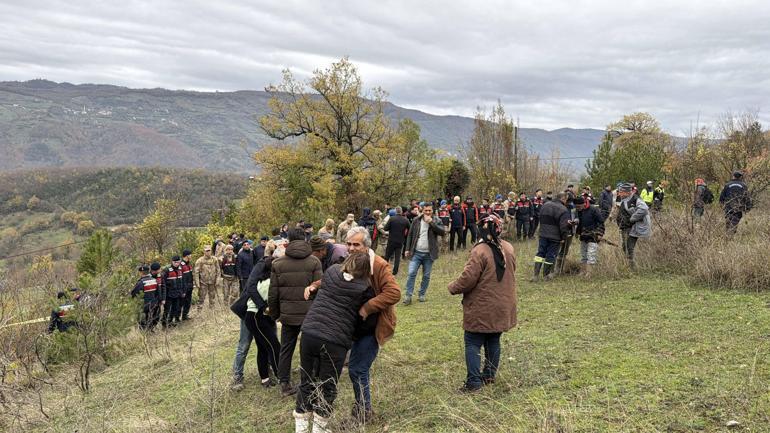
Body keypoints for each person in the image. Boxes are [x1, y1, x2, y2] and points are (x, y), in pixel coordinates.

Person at [293, 253, 372, 433]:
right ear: (366, 270)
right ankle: (319, 429)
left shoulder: (331, 272)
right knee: (327, 385)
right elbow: (363, 317)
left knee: (307, 381)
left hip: (310, 332)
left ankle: (301, 429)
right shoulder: (365, 288)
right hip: (335, 340)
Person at [448, 214, 517, 392]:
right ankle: (489, 375)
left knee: (472, 342)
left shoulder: (480, 251)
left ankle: (474, 382)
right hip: (503, 305)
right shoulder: (508, 247)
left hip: (482, 306)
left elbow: (468, 279)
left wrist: (453, 287)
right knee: (494, 339)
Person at [337, 227, 400, 421]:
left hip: (374, 325)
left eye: (356, 244)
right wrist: (315, 285)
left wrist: (367, 307)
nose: (351, 248)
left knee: (357, 369)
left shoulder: (379, 265)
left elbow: (394, 293)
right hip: (355, 326)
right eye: (348, 244)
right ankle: (361, 408)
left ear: (366, 246)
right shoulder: (349, 262)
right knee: (356, 368)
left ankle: (365, 412)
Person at [268, 228, 323, 397]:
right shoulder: (314, 262)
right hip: (310, 314)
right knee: (311, 349)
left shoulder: (277, 263)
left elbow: (273, 294)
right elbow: (319, 291)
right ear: (305, 239)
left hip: (288, 315)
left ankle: (284, 384)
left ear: (288, 241)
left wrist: (275, 315)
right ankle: (310, 382)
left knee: (286, 349)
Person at [230, 244, 281, 391]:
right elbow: (250, 287)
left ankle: (266, 375)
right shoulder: (262, 265)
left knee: (264, 345)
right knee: (245, 345)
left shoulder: (273, 272)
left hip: (263, 314)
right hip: (251, 312)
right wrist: (263, 307)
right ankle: (237, 377)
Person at [403, 203, 445, 305]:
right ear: (422, 210)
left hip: (429, 254)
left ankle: (421, 294)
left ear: (432, 211)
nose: (427, 212)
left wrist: (431, 223)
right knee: (411, 273)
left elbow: (442, 232)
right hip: (416, 252)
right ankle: (408, 296)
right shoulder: (416, 220)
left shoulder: (436, 220)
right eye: (426, 210)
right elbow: (410, 235)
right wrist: (407, 248)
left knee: (426, 275)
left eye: (429, 210)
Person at [532, 192, 571, 281]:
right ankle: (546, 276)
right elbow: (563, 226)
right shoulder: (563, 209)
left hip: (543, 234)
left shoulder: (545, 205)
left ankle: (535, 275)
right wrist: (564, 237)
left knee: (540, 253)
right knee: (550, 255)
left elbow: (540, 217)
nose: (566, 202)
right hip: (555, 237)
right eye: (566, 199)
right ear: (563, 199)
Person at [616, 183, 652, 267]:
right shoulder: (624, 199)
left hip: (634, 227)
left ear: (627, 192)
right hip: (626, 226)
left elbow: (644, 209)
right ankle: (627, 264)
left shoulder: (636, 199)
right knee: (625, 246)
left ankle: (631, 266)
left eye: (621, 192)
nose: (619, 193)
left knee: (629, 246)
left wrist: (632, 219)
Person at [575, 197, 605, 277]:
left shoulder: (594, 209)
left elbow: (601, 222)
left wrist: (600, 233)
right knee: (583, 254)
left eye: (578, 207)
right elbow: (580, 223)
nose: (577, 208)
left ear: (583, 204)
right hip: (583, 235)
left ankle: (589, 273)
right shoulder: (579, 211)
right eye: (576, 207)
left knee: (591, 254)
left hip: (593, 235)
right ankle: (583, 271)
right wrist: (577, 232)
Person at [131, 264, 165, 331]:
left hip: (144, 305)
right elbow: (159, 292)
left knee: (143, 319)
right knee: (154, 317)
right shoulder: (154, 280)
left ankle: (144, 332)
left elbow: (134, 294)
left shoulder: (140, 282)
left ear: (140, 273)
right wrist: (159, 301)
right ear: (148, 271)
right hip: (154, 304)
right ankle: (150, 329)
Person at [383, 206, 410, 275]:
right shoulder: (405, 220)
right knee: (397, 257)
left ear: (395, 212)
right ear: (401, 212)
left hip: (391, 240)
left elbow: (385, 228)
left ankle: (383, 269)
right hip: (400, 240)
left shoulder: (392, 219)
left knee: (387, 255)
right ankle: (395, 272)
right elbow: (410, 229)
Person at [161, 256, 185, 327]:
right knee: (167, 310)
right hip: (169, 294)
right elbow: (163, 283)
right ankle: (164, 324)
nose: (177, 264)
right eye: (175, 262)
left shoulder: (180, 269)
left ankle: (170, 321)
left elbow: (182, 281)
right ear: (172, 262)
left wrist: (183, 291)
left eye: (178, 262)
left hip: (177, 293)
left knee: (175, 308)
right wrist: (164, 296)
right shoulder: (167, 270)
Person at [180, 250, 194, 321]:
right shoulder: (181, 265)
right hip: (184, 288)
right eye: (190, 254)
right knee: (181, 303)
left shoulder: (188, 264)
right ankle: (177, 318)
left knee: (188, 302)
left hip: (190, 287)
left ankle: (185, 316)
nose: (191, 256)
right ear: (187, 255)